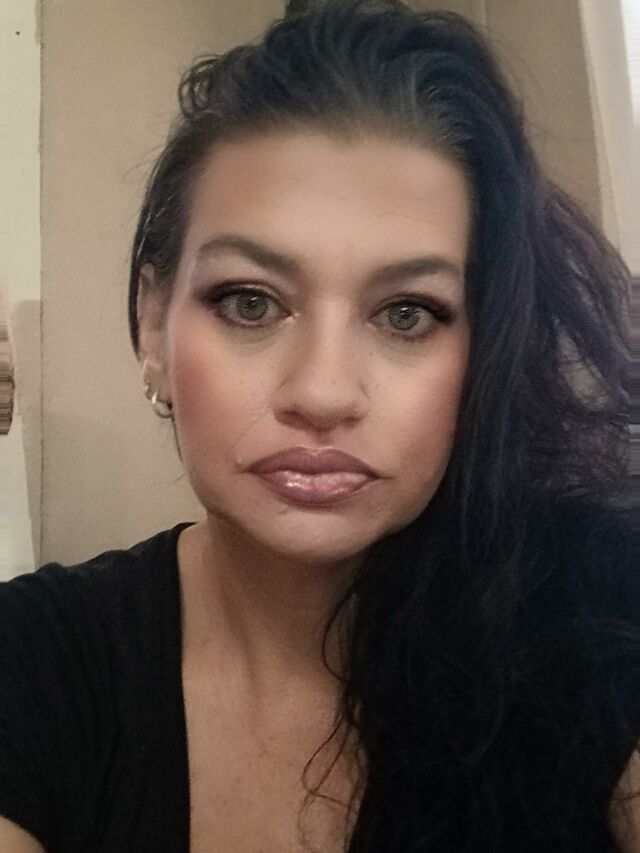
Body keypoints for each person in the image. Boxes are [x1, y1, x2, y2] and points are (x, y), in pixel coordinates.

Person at [1, 0, 637, 850]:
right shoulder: (33, 666)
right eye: (251, 302)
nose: (324, 392)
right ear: (153, 324)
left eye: (407, 313)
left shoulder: (604, 613)